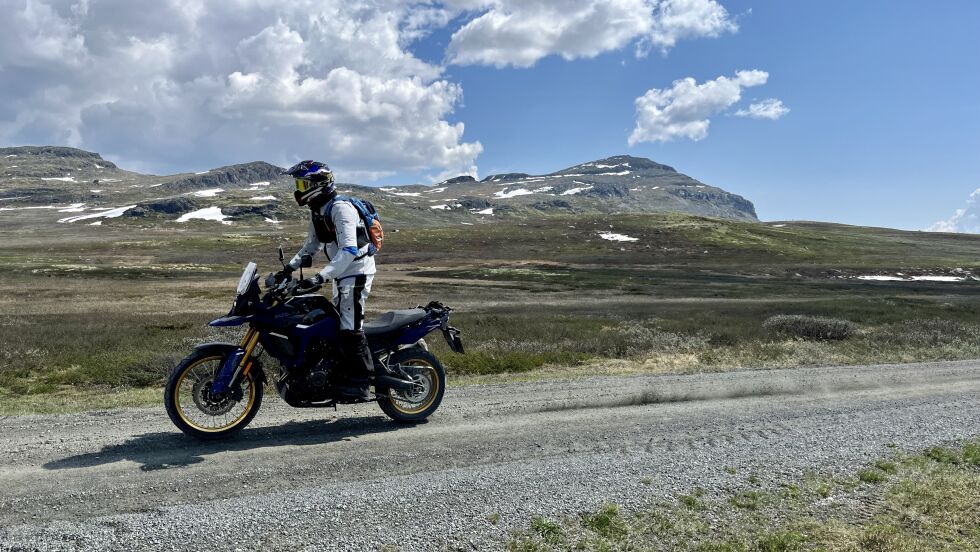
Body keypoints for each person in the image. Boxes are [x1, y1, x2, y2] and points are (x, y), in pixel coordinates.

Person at [277, 160, 376, 400]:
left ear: (320, 184)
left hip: (356, 272)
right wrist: (289, 267)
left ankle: (362, 382)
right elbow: (312, 245)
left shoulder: (341, 208)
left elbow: (350, 250)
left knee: (349, 326)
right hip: (341, 274)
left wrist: (320, 276)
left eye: (303, 183)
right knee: (331, 321)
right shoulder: (318, 208)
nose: (298, 189)